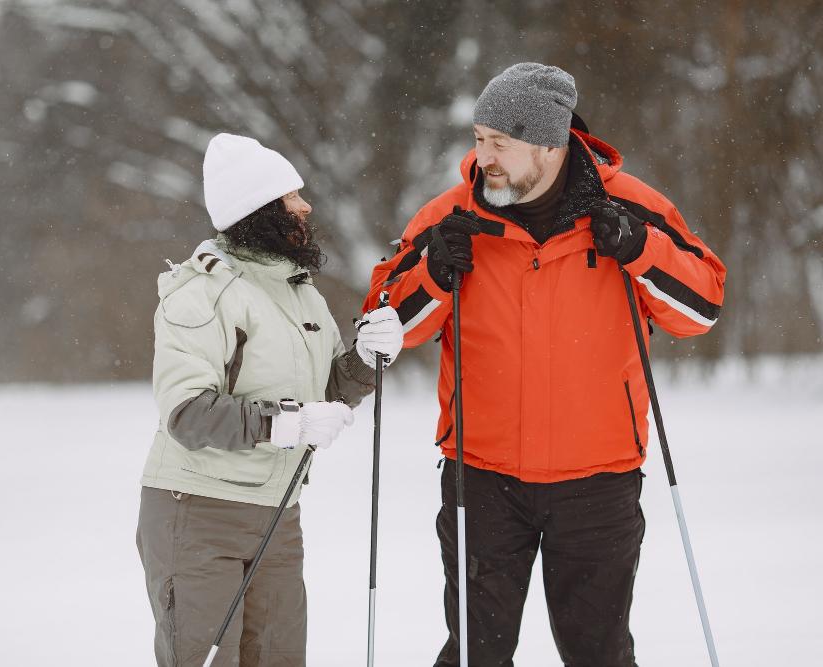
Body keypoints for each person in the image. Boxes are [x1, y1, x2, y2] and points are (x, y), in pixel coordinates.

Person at [363, 63, 726, 666]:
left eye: (501, 143)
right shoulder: (449, 219)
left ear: (551, 145)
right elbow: (380, 332)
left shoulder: (633, 207)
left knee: (600, 655)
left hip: (598, 481)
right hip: (481, 479)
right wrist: (432, 274)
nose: (485, 158)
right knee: (476, 655)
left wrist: (638, 249)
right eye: (479, 139)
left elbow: (703, 309)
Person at [136, 132, 403, 666]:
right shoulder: (203, 291)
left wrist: (370, 359)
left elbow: (324, 392)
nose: (305, 206)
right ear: (260, 211)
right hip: (198, 515)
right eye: (291, 197)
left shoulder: (298, 289)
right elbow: (187, 413)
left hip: (278, 515)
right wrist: (290, 425)